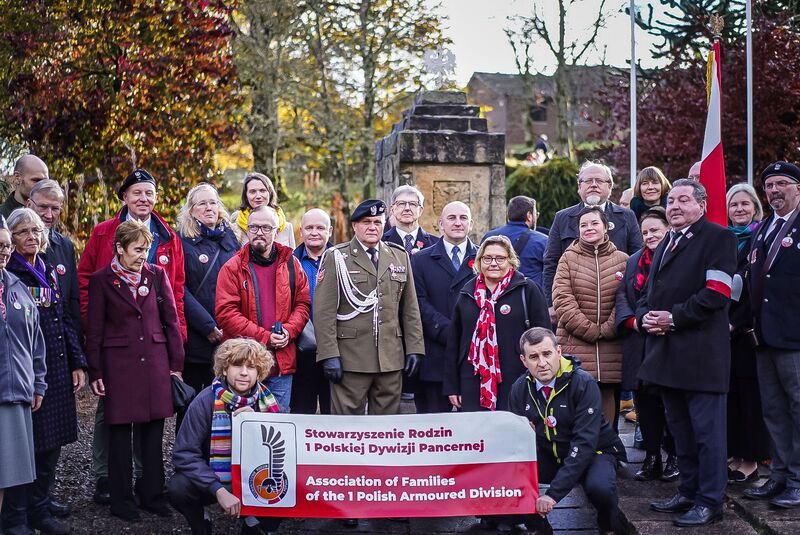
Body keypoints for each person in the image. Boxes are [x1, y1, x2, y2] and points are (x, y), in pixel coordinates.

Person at [78, 168, 186, 505]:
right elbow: (90, 302)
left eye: (149, 193)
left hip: (153, 353)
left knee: (153, 426)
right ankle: (113, 487)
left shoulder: (166, 245)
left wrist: (175, 360)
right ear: (124, 196)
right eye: (136, 192)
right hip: (118, 356)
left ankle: (150, 490)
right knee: (115, 425)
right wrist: (95, 366)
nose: (143, 198)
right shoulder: (103, 238)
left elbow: (173, 305)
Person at [639, 179, 737, 527]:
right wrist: (644, 316)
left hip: (701, 357)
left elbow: (717, 293)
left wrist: (674, 318)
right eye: (671, 201)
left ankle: (710, 501)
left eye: (683, 200)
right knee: (680, 431)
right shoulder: (667, 240)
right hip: (667, 355)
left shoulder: (718, 238)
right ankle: (688, 490)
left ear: (702, 205)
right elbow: (649, 293)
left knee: (708, 435)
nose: (675, 206)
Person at [1, 209, 86, 535]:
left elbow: (64, 318)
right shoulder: (11, 273)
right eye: (23, 232)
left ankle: (40, 506)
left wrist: (77, 361)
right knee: (27, 447)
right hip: (24, 371)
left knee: (53, 443)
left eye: (36, 231)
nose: (32, 237)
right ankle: (19, 514)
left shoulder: (46, 268)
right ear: (11, 238)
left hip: (55, 366)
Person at [508, 327, 626, 534]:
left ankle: (610, 525)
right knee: (511, 477)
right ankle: (539, 529)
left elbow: (584, 442)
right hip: (549, 453)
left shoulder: (583, 383)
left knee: (601, 488)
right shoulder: (519, 388)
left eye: (547, 354)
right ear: (523, 361)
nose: (542, 363)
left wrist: (552, 495)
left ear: (559, 351)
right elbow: (515, 444)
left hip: (594, 452)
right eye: (533, 357)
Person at [314, 200, 424, 413]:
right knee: (347, 424)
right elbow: (323, 313)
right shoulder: (337, 257)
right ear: (354, 225)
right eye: (366, 222)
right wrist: (329, 355)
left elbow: (410, 309)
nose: (372, 227)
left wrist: (415, 348)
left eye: (377, 222)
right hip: (350, 359)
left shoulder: (399, 256)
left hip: (390, 358)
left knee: (386, 425)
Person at [169, 338, 282, 535]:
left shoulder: (268, 403)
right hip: (212, 477)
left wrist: (256, 424)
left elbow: (281, 454)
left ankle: (254, 523)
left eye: (251, 367)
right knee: (178, 488)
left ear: (260, 373)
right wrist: (217, 489)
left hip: (254, 479)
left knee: (287, 486)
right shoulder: (204, 401)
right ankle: (201, 521)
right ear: (224, 369)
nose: (244, 372)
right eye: (237, 365)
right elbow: (184, 453)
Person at [743, 161, 800, 507]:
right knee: (774, 411)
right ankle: (779, 475)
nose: (774, 190)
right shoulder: (763, 227)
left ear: (798, 188)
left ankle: (797, 479)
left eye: (781, 183)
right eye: (769, 185)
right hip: (763, 337)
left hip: (794, 337)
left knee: (798, 408)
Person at [215, 205, 311, 412]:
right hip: (242, 365)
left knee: (276, 425)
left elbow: (303, 303)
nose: (259, 232)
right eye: (254, 227)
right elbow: (226, 313)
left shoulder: (292, 264)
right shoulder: (232, 267)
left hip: (281, 365)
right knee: (240, 424)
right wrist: (265, 337)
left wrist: (289, 331)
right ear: (247, 230)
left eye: (266, 228)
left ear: (277, 231)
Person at [444, 235, 550, 413]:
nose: (493, 263)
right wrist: (452, 385)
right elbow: (455, 342)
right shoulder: (467, 293)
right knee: (477, 428)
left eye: (500, 258)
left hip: (517, 378)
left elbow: (544, 336)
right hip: (472, 380)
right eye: (487, 258)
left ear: (510, 261)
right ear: (479, 261)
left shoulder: (527, 289)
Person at [552, 206, 629, 432]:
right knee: (577, 401)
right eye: (583, 225)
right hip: (575, 342)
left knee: (607, 400)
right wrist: (591, 330)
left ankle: (607, 450)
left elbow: (626, 298)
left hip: (611, 345)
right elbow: (562, 299)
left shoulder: (623, 260)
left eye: (594, 223)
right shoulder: (568, 259)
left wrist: (608, 328)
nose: (589, 228)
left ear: (606, 227)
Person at [616, 208, 678, 481]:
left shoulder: (677, 257)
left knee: (671, 404)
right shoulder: (634, 261)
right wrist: (634, 322)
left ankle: (674, 456)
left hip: (668, 340)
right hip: (639, 340)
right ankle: (652, 457)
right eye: (645, 232)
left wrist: (662, 321)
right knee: (644, 404)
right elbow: (622, 295)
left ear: (668, 230)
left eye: (655, 230)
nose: (650, 236)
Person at [543, 161, 642, 321]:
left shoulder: (626, 216)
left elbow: (637, 258)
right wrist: (550, 303)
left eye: (599, 181)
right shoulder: (562, 217)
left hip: (618, 304)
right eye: (588, 181)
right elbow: (550, 262)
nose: (593, 185)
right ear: (579, 186)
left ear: (610, 187)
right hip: (573, 305)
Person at [0, 225, 46, 529]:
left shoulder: (17, 287)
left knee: (11, 472)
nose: (3, 252)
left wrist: (38, 382)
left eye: (6, 246)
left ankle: (13, 524)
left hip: (17, 393)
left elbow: (36, 342)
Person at [411, 201, 477, 413]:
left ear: (471, 224)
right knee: (433, 426)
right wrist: (450, 331)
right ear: (440, 224)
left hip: (474, 356)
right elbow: (417, 302)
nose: (458, 223)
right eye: (451, 218)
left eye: (463, 218)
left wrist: (468, 332)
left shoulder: (484, 259)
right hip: (435, 357)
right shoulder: (420, 260)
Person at [177, 184, 240, 397]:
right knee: (192, 402)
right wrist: (207, 325)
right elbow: (179, 288)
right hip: (196, 338)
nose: (209, 207)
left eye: (213, 202)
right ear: (191, 210)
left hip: (228, 336)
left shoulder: (232, 240)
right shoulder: (181, 242)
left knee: (225, 400)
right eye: (202, 203)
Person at [725, 183, 770, 484]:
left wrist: (734, 322)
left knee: (750, 399)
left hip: (748, 332)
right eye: (734, 204)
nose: (739, 209)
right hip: (721, 333)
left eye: (745, 203)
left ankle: (751, 460)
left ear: (755, 207)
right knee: (732, 398)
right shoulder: (723, 239)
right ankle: (736, 455)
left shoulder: (762, 237)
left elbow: (757, 288)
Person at [28, 179, 82, 344]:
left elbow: (72, 301)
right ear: (29, 205)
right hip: (25, 339)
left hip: (59, 341)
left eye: (55, 209)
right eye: (43, 207)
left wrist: (77, 348)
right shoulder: (10, 242)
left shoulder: (65, 246)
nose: (49, 215)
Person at [291, 208, 333, 414]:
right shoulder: (288, 262)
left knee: (334, 413)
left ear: (329, 231)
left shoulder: (344, 260)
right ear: (301, 232)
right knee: (302, 410)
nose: (314, 232)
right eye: (309, 228)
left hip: (335, 349)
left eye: (320, 228)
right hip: (300, 349)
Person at [482, 196, 548, 288]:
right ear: (529, 216)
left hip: (495, 293)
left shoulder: (489, 237)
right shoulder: (543, 241)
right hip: (528, 294)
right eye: (536, 214)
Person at [230, 172, 295, 248]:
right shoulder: (235, 229)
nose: (258, 196)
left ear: (270, 193)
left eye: (262, 190)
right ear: (246, 196)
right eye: (253, 191)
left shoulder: (287, 228)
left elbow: (292, 254)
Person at [382, 185, 438, 255]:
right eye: (401, 203)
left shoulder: (436, 244)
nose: (407, 208)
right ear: (392, 210)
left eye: (412, 204)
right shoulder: (381, 242)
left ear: (420, 210)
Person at [0, 155, 49, 219]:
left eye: (45, 182)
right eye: (36, 180)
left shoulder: (49, 215)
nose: (42, 186)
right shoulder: (2, 216)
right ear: (17, 178)